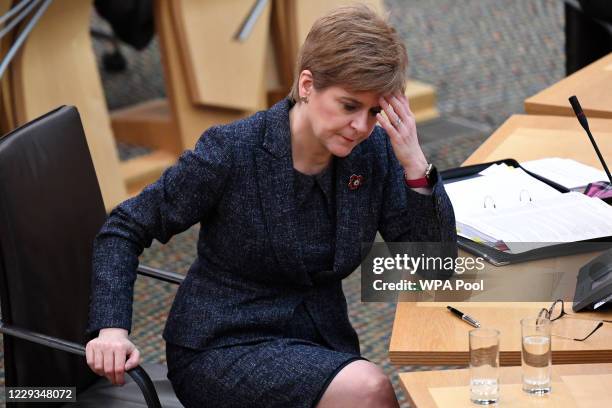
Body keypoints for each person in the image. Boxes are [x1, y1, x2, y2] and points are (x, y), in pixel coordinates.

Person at [85, 5, 456, 407]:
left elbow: (431, 272)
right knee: (368, 389)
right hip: (223, 346)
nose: (361, 127)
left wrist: (416, 168)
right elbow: (124, 227)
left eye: (375, 112)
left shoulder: (373, 153)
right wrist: (111, 329)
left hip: (319, 343)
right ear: (308, 84)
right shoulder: (232, 151)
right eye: (349, 106)